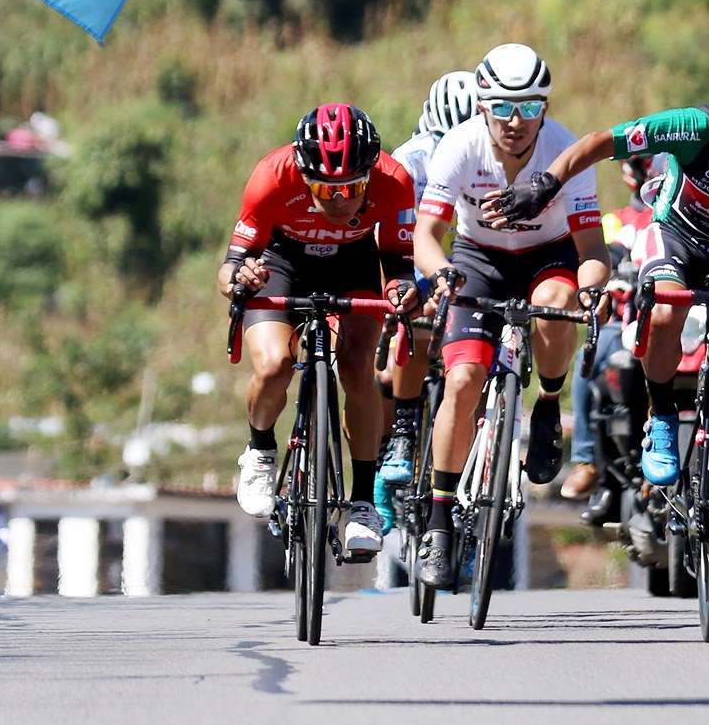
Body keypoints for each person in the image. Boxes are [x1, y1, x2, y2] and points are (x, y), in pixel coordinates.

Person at [480, 48, 709, 596]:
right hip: (681, 242)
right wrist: (543, 185)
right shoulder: (693, 128)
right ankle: (663, 415)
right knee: (666, 304)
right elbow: (602, 142)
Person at [411, 44, 608, 588]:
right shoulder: (459, 146)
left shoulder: (565, 150)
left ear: (545, 108)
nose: (515, 121)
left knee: (556, 306)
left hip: (549, 257)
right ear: (481, 107)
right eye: (501, 107)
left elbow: (592, 250)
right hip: (478, 259)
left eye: (528, 107)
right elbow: (427, 237)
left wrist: (591, 289)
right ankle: (439, 520)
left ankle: (546, 401)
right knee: (464, 379)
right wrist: (439, 274)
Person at [220, 104, 419, 559]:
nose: (339, 200)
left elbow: (398, 265)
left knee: (356, 367)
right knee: (275, 364)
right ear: (301, 172)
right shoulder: (271, 176)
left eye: (352, 188)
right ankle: (260, 449)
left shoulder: (394, 181)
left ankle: (363, 500)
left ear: (370, 173)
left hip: (354, 263)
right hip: (282, 263)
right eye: (323, 189)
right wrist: (239, 279)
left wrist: (402, 293)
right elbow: (230, 265)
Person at [374, 70, 475, 529]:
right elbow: (393, 234)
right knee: (414, 326)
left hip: (469, 255)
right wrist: (414, 290)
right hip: (417, 252)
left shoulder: (493, 155)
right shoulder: (409, 160)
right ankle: (403, 429)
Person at [565, 153, 659, 502]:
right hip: (623, 323)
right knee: (587, 359)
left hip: (679, 324)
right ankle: (586, 460)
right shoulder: (617, 220)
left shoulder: (685, 215)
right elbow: (603, 254)